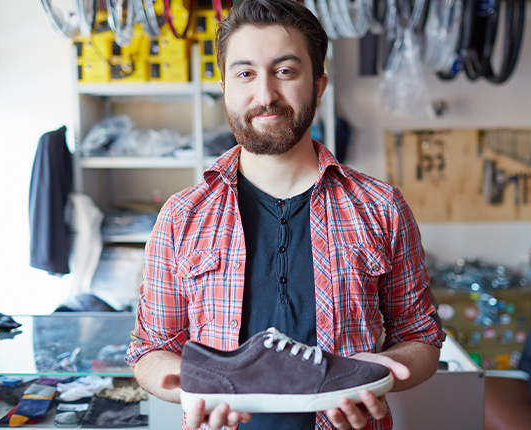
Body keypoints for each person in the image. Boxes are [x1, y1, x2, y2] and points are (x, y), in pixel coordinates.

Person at [125, 0, 445, 428]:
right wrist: (189, 389)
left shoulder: (381, 207)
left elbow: (420, 339)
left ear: (318, 84)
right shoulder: (182, 215)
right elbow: (149, 349)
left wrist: (379, 373)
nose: (265, 95)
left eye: (286, 71)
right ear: (224, 86)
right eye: (245, 74)